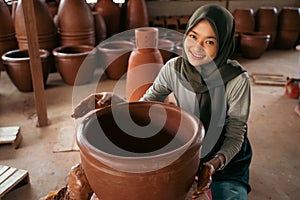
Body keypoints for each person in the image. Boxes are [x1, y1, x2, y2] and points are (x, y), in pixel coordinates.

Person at [72, 4, 252, 200]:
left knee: (228, 196)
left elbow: (235, 136)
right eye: (193, 36)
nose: (197, 47)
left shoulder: (236, 80)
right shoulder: (174, 69)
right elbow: (145, 106)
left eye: (209, 42)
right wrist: (115, 102)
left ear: (224, 44)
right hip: (188, 151)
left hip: (224, 158)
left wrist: (213, 164)